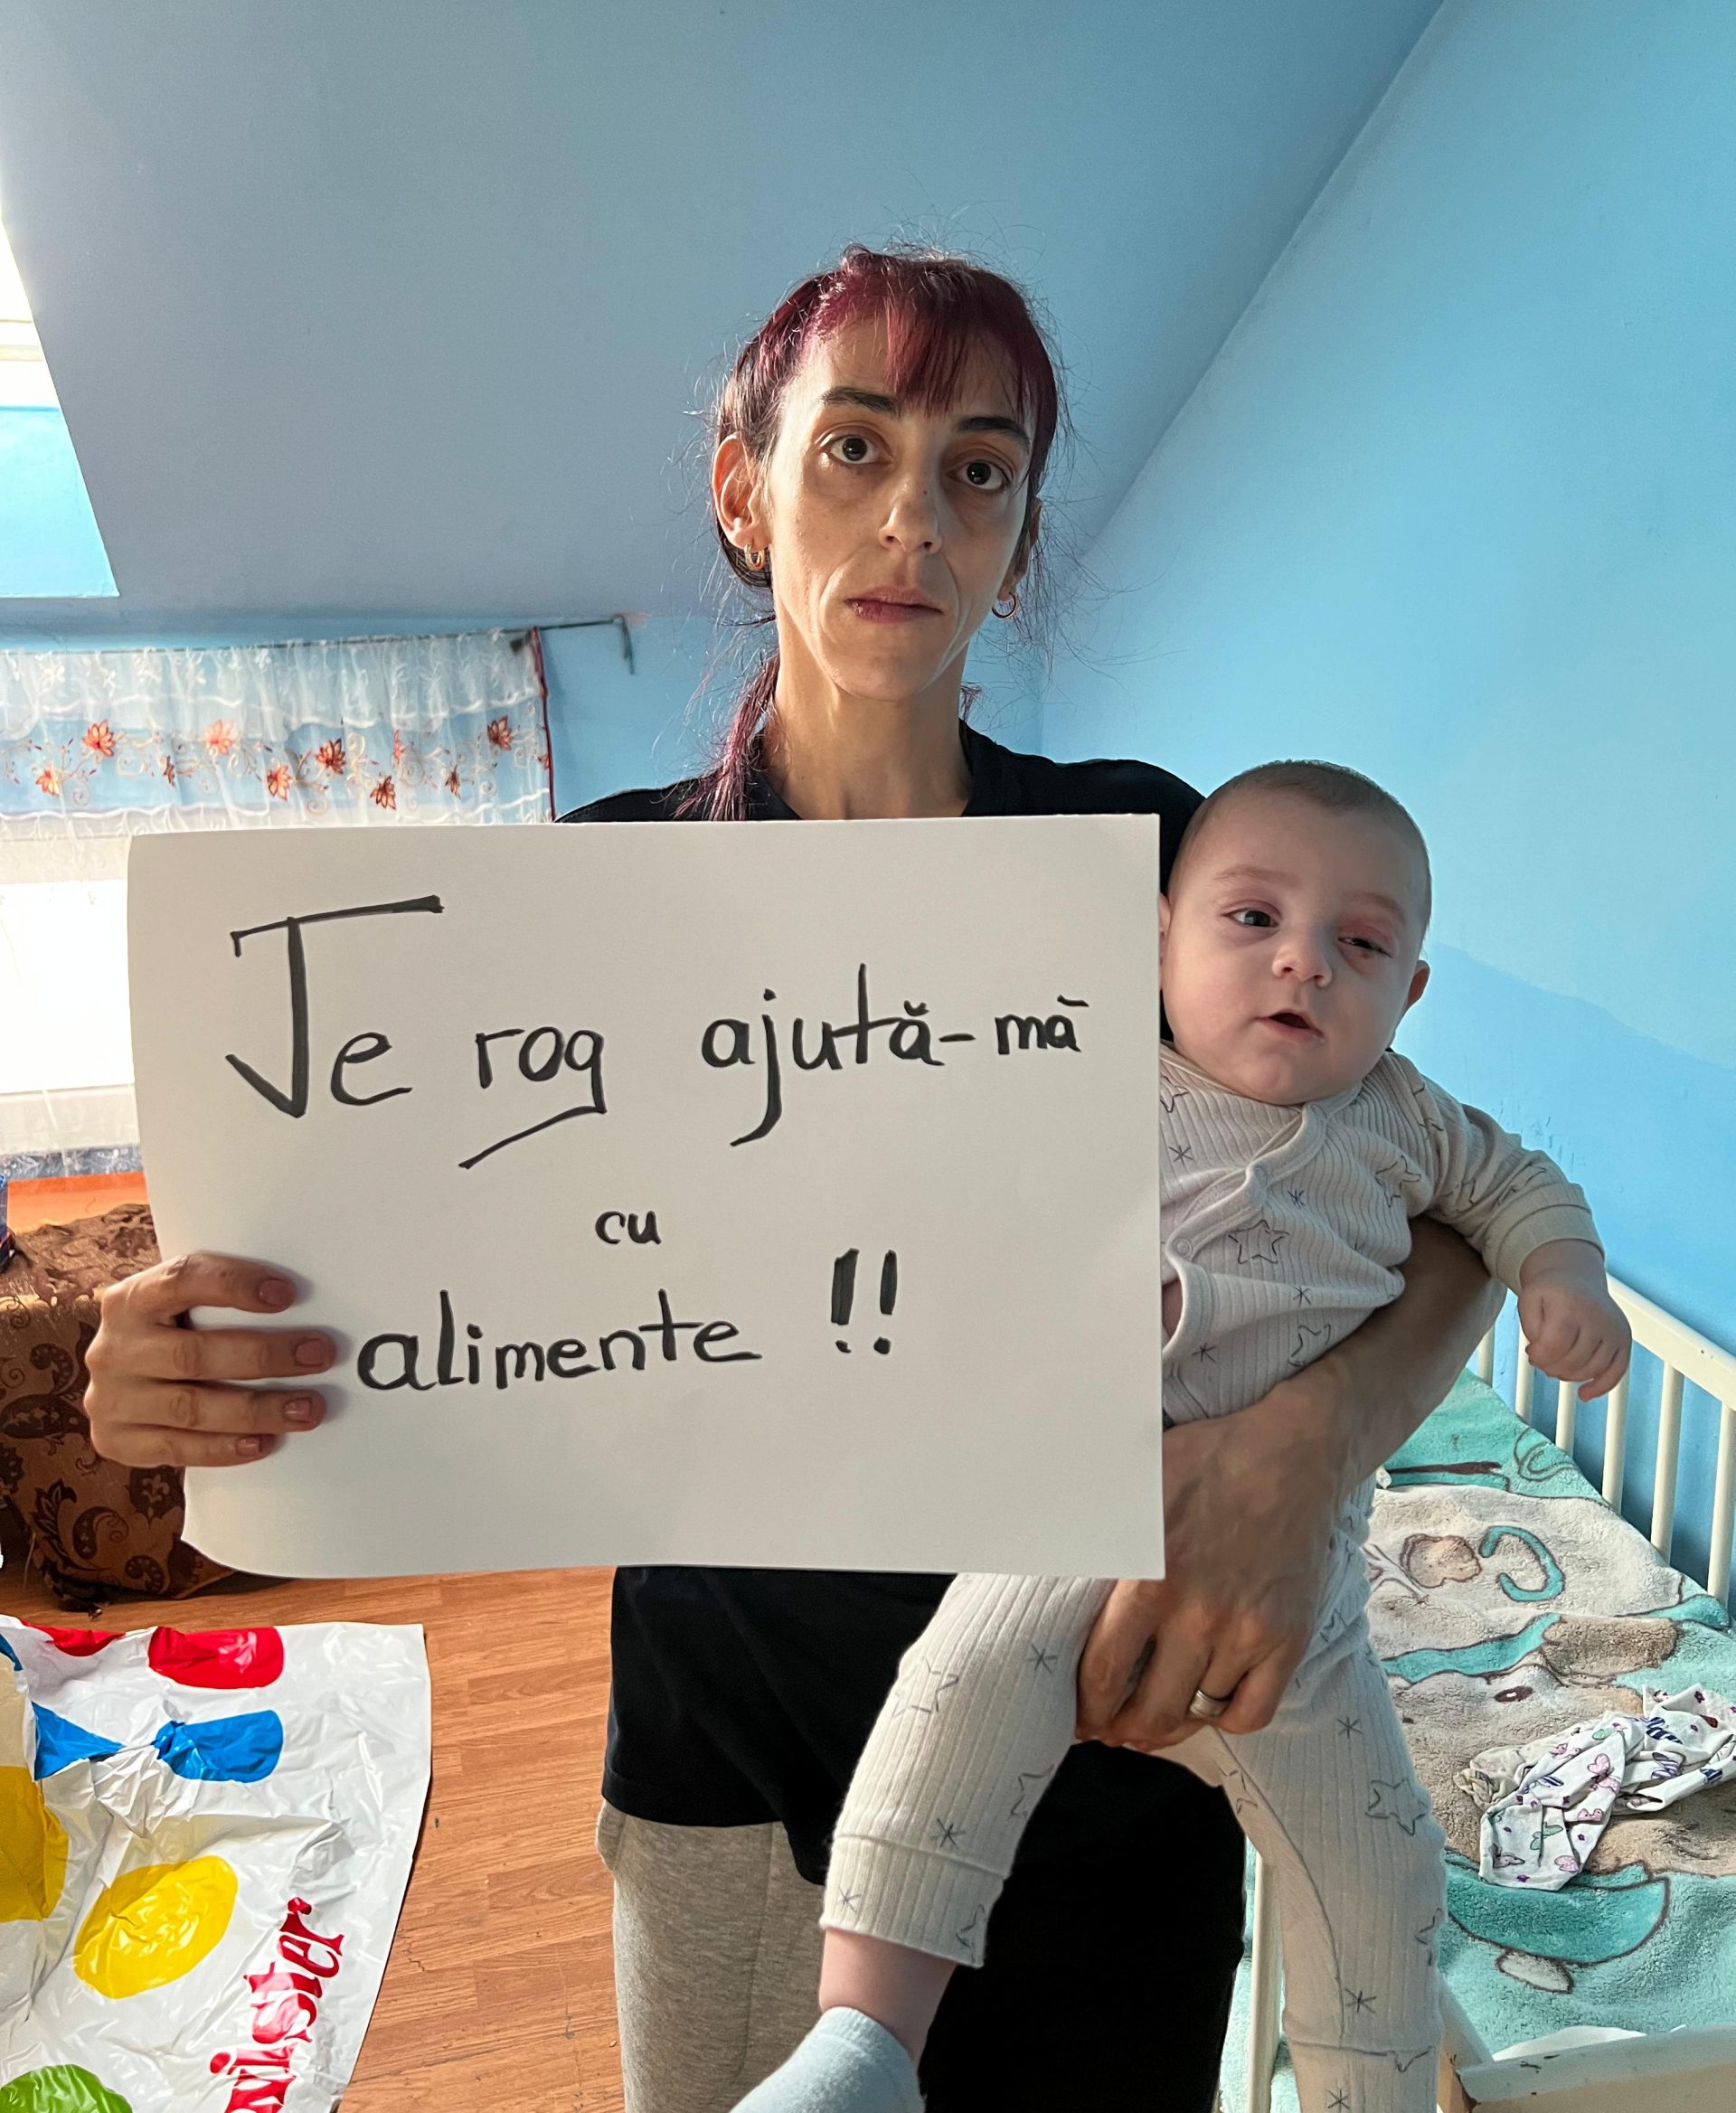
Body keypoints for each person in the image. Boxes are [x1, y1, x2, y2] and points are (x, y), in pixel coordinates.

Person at [84, 245, 1502, 2113]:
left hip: (1113, 1736)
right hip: (734, 1760)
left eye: (980, 468)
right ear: (745, 493)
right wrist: (181, 1374)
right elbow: (421, 1281)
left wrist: (1295, 1459)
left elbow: (1453, 1214)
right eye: (855, 447)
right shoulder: (584, 893)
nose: (915, 514)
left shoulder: (1161, 859)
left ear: (1019, 539)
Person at [741, 760, 1631, 2113]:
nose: (1304, 962)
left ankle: (1369, 2094)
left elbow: (1523, 1191)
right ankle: (863, 2044)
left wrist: (1565, 1275)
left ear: (1410, 992)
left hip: (1299, 1594)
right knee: (952, 1702)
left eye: (1361, 944)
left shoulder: (1408, 1120)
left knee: (1381, 1868)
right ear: (1158, 939)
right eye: (1252, 919)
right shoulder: (1091, 1078)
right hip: (1078, 1507)